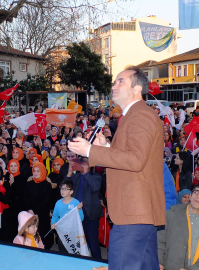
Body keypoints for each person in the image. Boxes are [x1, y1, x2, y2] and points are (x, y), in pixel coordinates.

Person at [68, 66, 166, 269]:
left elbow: (136, 160)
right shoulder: (134, 115)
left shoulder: (140, 115)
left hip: (133, 213)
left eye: (121, 81)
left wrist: (90, 151)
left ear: (137, 88)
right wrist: (105, 147)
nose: (114, 85)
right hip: (139, 214)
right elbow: (135, 159)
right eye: (115, 81)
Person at [65, 157, 103, 259]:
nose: (82, 164)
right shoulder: (75, 177)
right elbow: (64, 189)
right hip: (77, 214)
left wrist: (86, 173)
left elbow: (95, 187)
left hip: (91, 215)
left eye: (85, 162)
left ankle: (98, 263)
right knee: (79, 242)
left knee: (93, 242)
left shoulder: (96, 176)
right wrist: (69, 173)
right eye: (81, 162)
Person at [24, 162, 53, 249]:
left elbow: (47, 201)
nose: (35, 173)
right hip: (30, 214)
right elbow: (25, 198)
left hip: (42, 215)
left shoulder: (47, 185)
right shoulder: (29, 184)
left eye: (38, 171)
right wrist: (29, 209)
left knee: (42, 235)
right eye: (34, 171)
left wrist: (35, 211)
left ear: (43, 172)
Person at [50, 180, 84, 253]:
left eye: (65, 189)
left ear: (71, 192)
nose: (62, 191)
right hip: (62, 232)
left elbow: (81, 219)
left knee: (74, 251)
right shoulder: (58, 203)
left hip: (73, 232)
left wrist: (79, 209)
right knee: (62, 250)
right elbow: (55, 216)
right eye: (61, 188)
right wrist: (53, 223)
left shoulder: (76, 203)